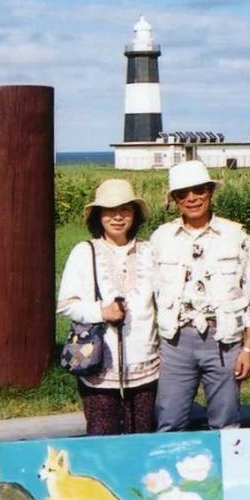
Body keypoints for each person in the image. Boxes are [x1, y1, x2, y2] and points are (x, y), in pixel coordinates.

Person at [151, 160, 250, 431]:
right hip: (176, 342)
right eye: (183, 194)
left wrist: (249, 349)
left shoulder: (235, 235)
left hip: (224, 341)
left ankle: (225, 461)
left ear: (210, 192)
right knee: (169, 421)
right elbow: (148, 293)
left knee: (226, 422)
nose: (192, 198)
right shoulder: (161, 238)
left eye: (199, 190)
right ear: (175, 200)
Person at [57, 178, 159, 436]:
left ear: (135, 214)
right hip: (99, 368)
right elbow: (65, 305)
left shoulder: (149, 251)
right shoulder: (84, 251)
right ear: (98, 215)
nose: (118, 217)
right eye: (109, 210)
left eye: (125, 209)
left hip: (146, 367)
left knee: (141, 438)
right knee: (102, 441)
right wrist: (100, 312)